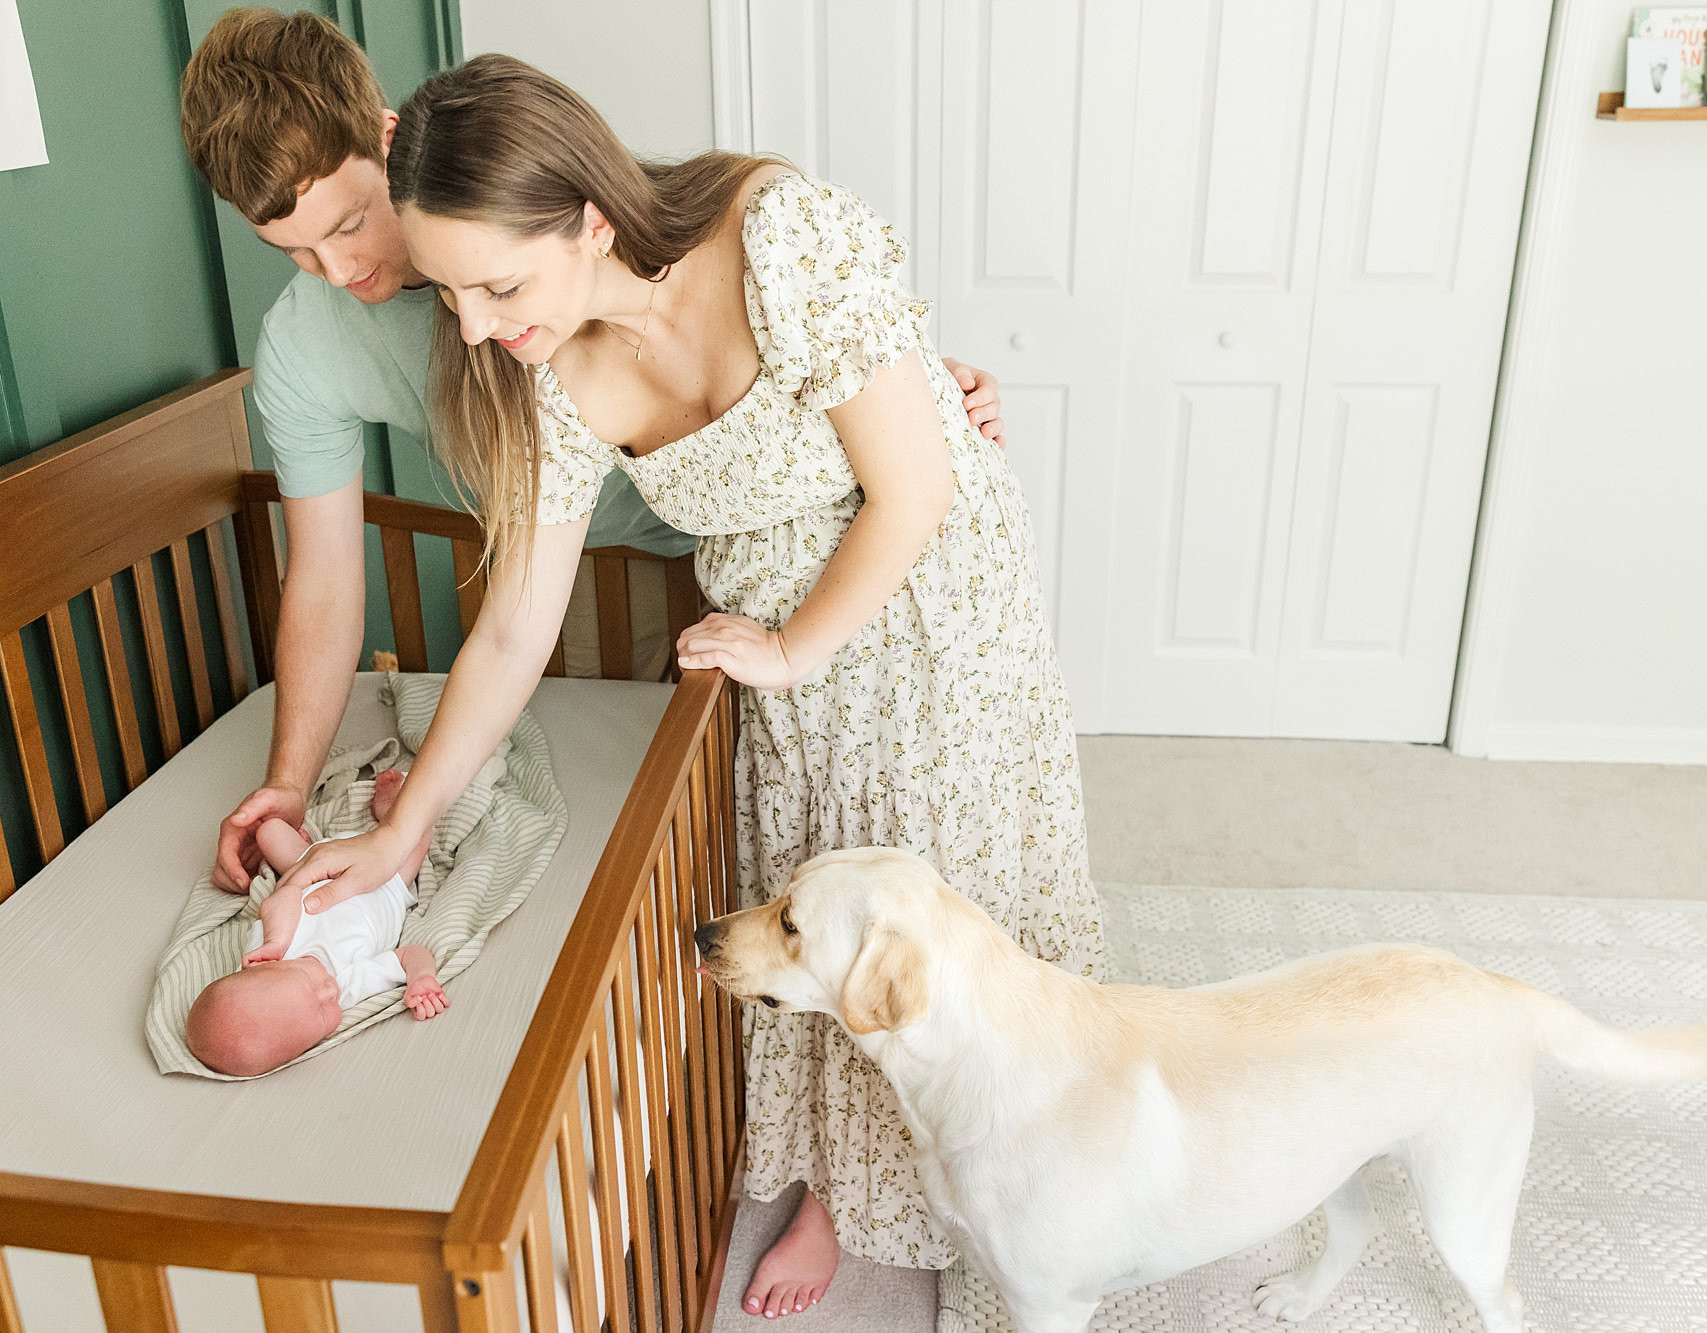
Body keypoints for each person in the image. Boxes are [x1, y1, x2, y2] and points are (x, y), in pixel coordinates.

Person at [271, 54, 1104, 1321]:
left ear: (590, 220)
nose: (482, 326)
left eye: (500, 284)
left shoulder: (775, 234)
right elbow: (512, 630)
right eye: (453, 296)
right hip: (777, 628)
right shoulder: (550, 374)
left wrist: (790, 649)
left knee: (943, 882)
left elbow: (913, 489)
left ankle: (975, 1166)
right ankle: (842, 1180)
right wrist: (402, 829)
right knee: (815, 891)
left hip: (924, 592)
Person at [176, 10, 1009, 899]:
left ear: (392, 144)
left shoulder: (612, 235)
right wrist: (341, 805)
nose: (339, 272)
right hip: (680, 576)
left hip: (848, 581)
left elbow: (795, 334)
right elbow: (481, 619)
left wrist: (909, 391)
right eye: (295, 253)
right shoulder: (535, 361)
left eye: (346, 225)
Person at [186, 770, 447, 1077]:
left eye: (311, 988)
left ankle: (334, 836)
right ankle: (389, 813)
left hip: (313, 865)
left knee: (269, 831)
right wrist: (421, 978)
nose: (328, 992)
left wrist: (277, 940)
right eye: (324, 1017)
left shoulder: (268, 951)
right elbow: (409, 954)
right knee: (421, 830)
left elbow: (284, 897)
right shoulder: (348, 985)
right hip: (386, 879)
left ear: (258, 966)